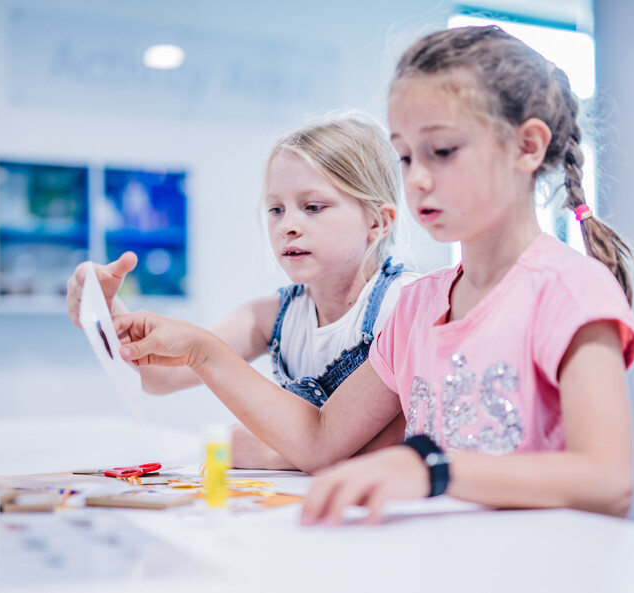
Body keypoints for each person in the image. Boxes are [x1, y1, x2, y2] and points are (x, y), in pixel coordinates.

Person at [113, 26, 634, 524]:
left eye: (442, 151)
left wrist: (431, 468)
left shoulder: (571, 290)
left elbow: (608, 479)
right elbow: (320, 440)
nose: (418, 179)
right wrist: (202, 351)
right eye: (406, 157)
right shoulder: (418, 307)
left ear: (527, 146)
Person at [66, 111, 418, 469]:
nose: (287, 226)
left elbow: (384, 449)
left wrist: (272, 452)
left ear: (378, 222)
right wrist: (105, 311)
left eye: (312, 207)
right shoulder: (271, 316)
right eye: (276, 209)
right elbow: (162, 375)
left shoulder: (405, 306)